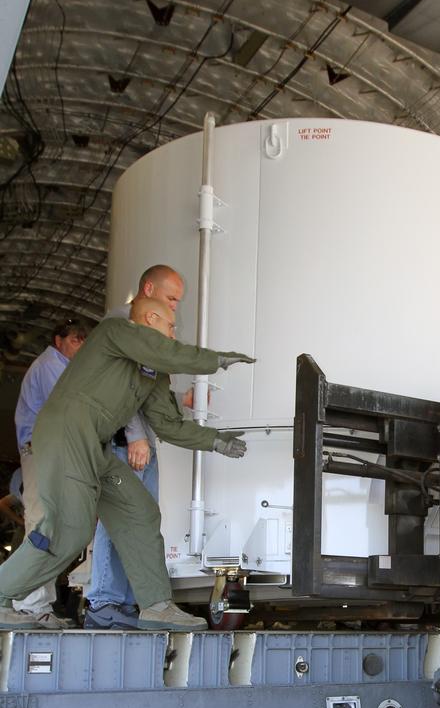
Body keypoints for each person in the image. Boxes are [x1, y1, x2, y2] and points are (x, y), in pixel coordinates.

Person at [0, 298, 254, 632]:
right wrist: (215, 360)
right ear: (150, 318)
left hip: (94, 445)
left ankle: (156, 605)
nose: (173, 333)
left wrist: (216, 441)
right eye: (170, 325)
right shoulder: (115, 332)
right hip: (65, 434)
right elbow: (168, 352)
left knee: (140, 512)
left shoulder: (151, 373)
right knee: (68, 530)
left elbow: (167, 424)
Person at [86, 264, 186, 629]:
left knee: (140, 523)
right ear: (148, 289)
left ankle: (126, 603)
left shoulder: (148, 326)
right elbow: (122, 386)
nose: (175, 308)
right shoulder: (123, 324)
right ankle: (104, 602)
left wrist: (179, 402)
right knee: (118, 520)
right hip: (123, 442)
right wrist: (135, 435)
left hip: (140, 441)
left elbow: (148, 388)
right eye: (171, 298)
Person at [13, 318, 93, 627]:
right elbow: (70, 410)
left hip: (52, 453)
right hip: (41, 451)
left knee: (49, 525)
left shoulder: (61, 368)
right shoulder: (50, 366)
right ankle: (27, 601)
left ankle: (37, 603)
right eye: (75, 340)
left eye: (84, 341)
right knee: (41, 523)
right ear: (58, 340)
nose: (81, 346)